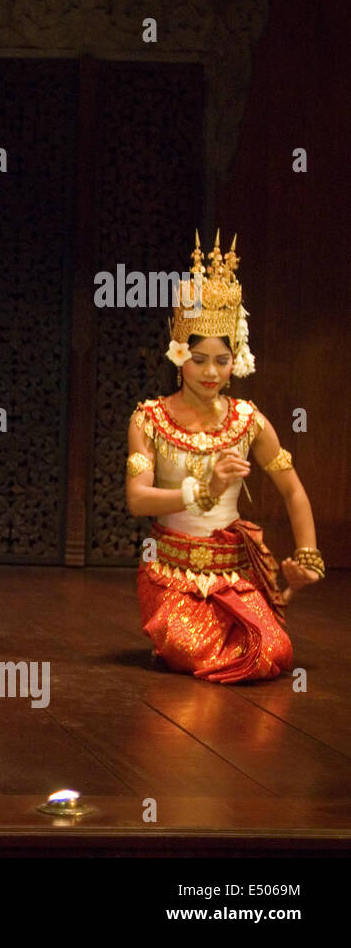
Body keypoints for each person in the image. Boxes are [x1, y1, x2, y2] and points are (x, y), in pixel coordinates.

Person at [126, 231, 321, 683]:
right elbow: (137, 500)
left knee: (274, 652)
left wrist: (307, 558)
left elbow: (292, 489)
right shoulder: (149, 419)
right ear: (179, 356)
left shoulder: (248, 420)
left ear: (237, 358)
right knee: (193, 646)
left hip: (231, 570)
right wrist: (202, 491)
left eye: (222, 360)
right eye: (199, 360)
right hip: (171, 569)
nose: (211, 372)